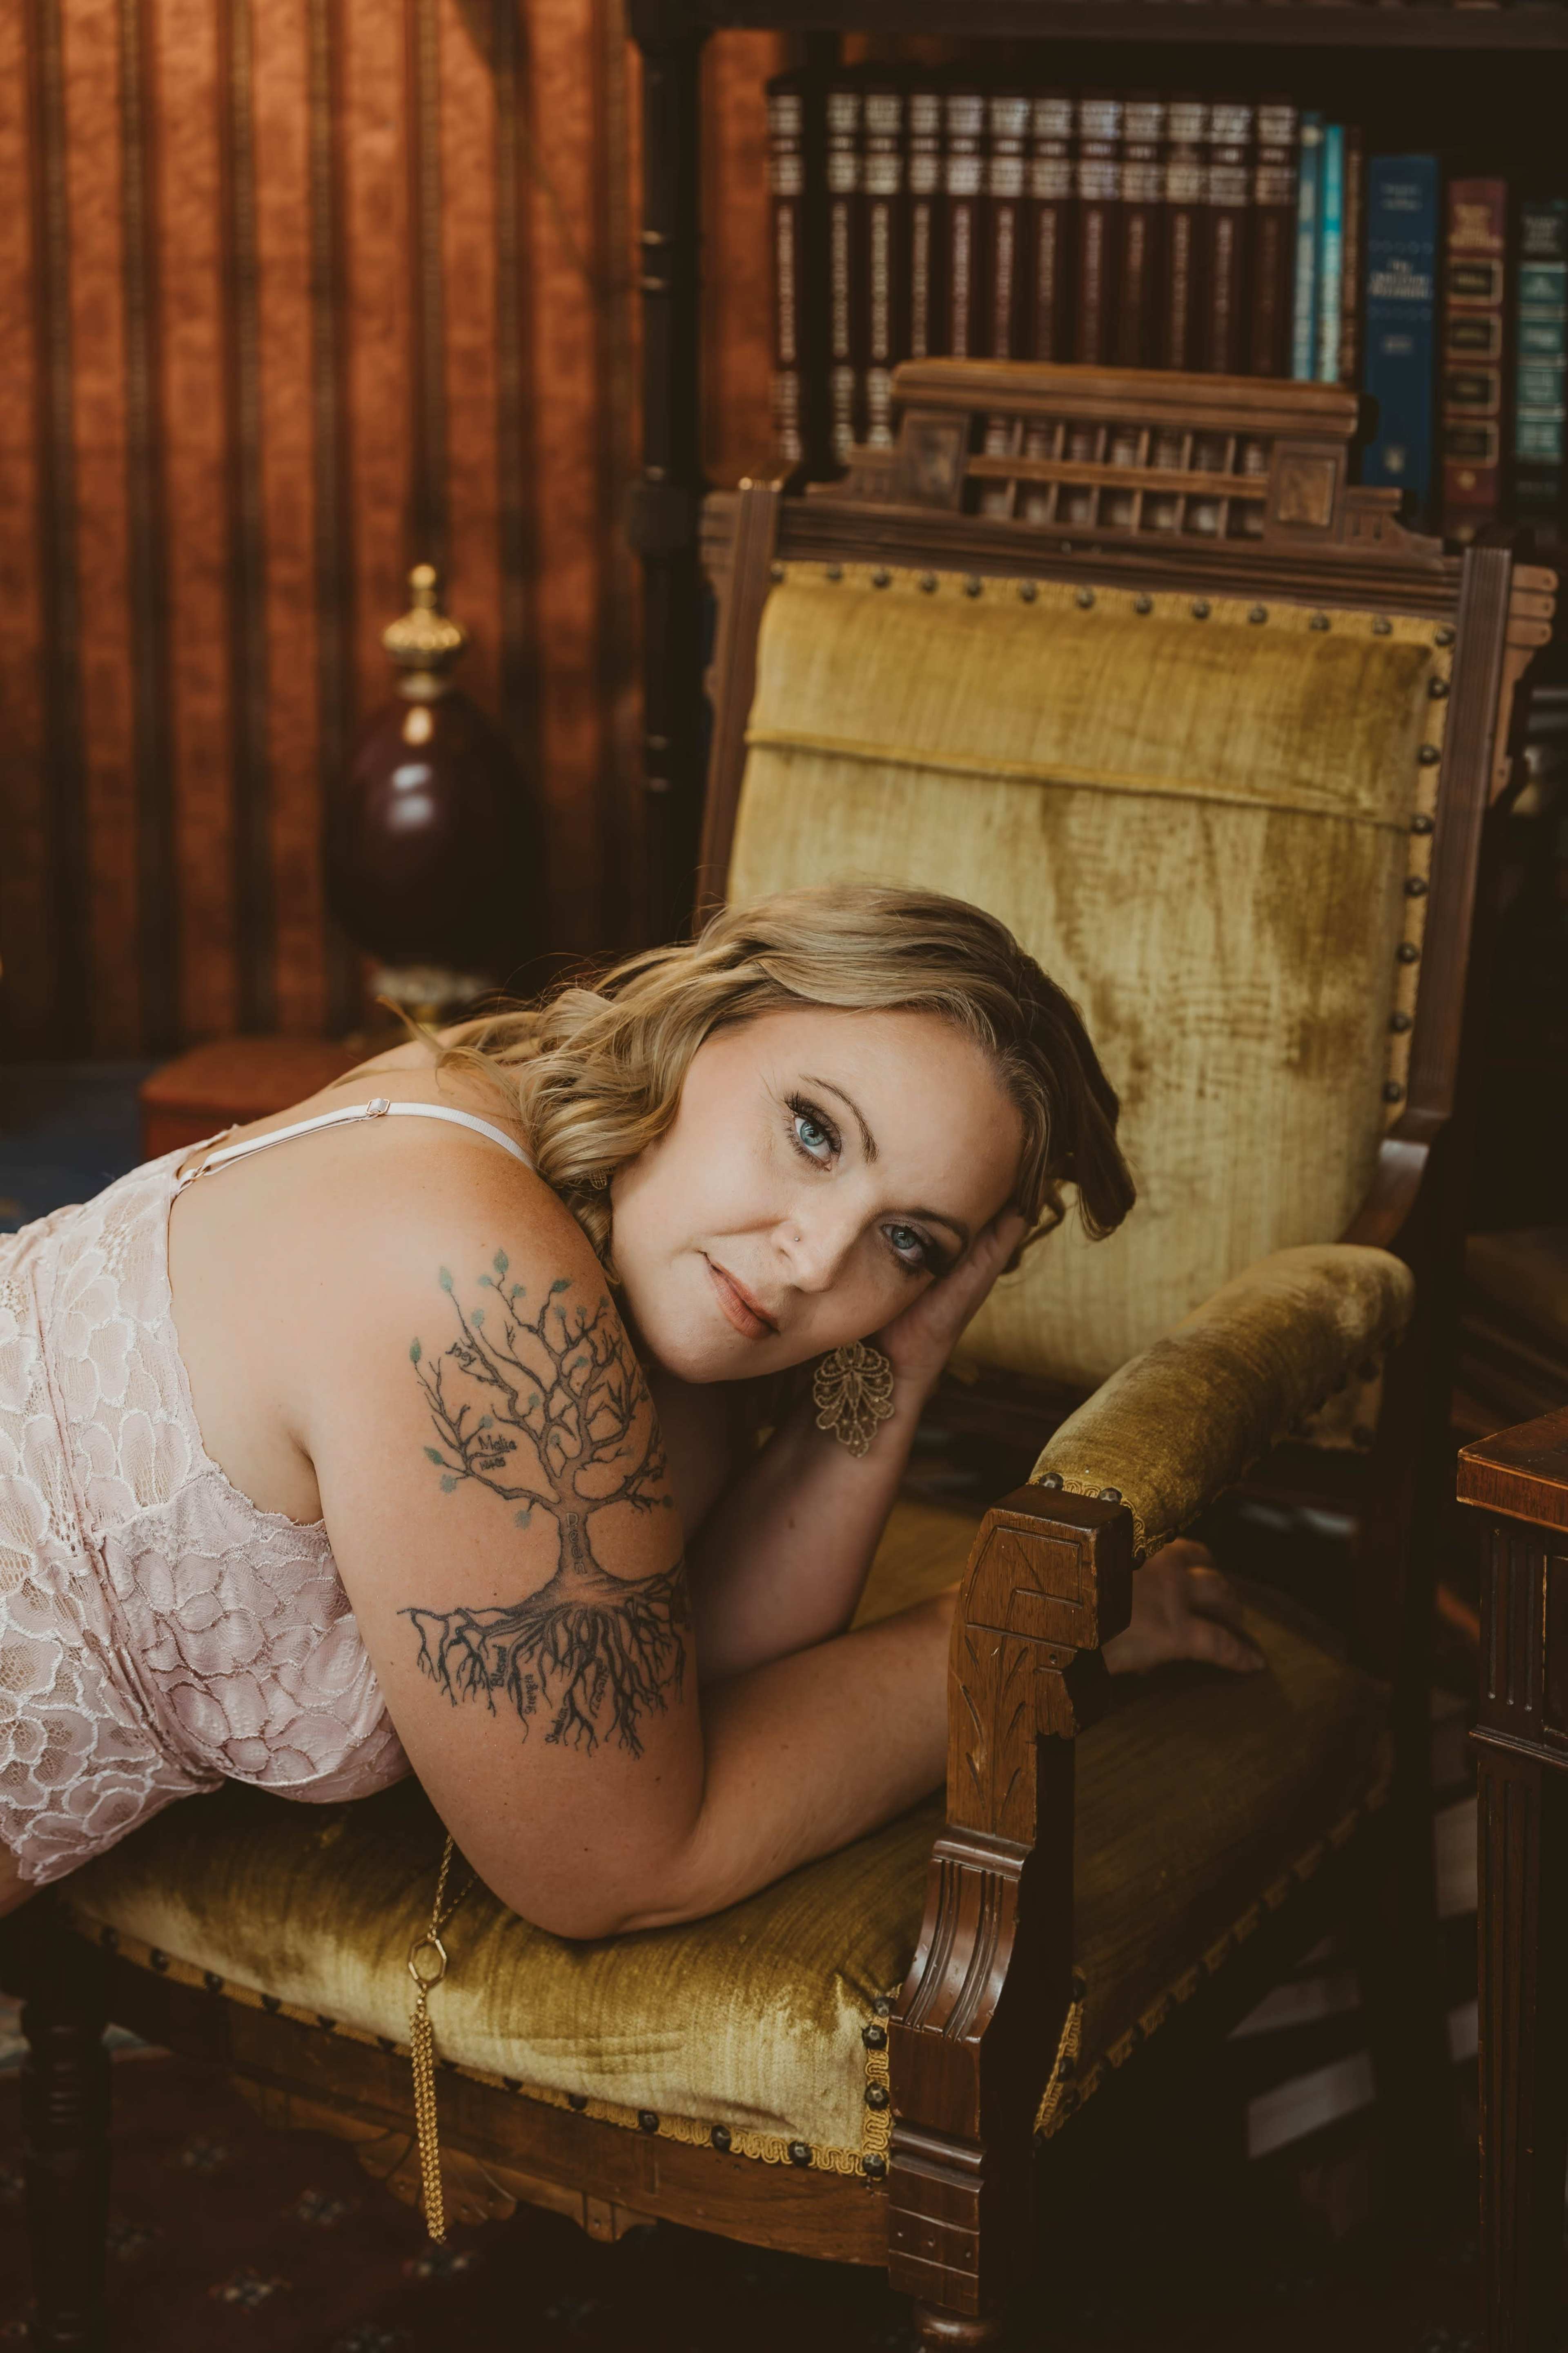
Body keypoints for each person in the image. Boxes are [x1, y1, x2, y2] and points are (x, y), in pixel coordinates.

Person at [0, 883, 1259, 1930]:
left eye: (910, 1241)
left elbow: (677, 1683)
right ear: (710, 1019)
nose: (820, 1261)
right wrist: (1029, 1634)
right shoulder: (476, 1282)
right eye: (815, 1131)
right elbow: (620, 1860)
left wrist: (900, 1360)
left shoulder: (608, 1238)